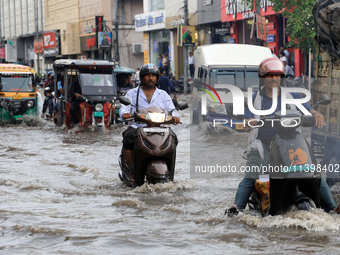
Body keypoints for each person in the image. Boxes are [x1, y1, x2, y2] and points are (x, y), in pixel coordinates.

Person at [227, 56, 340, 215]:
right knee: (252, 176)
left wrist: (316, 114)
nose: (274, 79)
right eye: (270, 75)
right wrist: (249, 122)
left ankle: (333, 209)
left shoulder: (293, 96)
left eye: (277, 75)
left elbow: (308, 109)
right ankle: (236, 209)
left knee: (314, 174)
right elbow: (245, 119)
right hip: (264, 145)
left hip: (292, 144)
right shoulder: (255, 99)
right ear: (262, 78)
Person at [119, 63, 180, 171]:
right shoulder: (132, 93)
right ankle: (131, 168)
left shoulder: (163, 94)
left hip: (159, 127)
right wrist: (125, 114)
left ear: (157, 77)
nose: (151, 78)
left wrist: (175, 116)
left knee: (173, 139)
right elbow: (124, 107)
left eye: (153, 75)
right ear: (142, 77)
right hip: (137, 126)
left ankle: (170, 169)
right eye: (148, 75)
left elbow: (172, 110)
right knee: (128, 138)